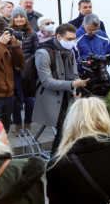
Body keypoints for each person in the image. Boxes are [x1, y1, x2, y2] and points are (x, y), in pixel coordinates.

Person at [33, 23, 88, 155]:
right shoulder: (43, 53)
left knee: (68, 131)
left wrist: (74, 90)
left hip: (67, 97)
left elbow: (74, 75)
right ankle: (55, 160)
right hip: (51, 98)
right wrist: (72, 85)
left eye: (74, 39)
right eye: (69, 39)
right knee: (63, 133)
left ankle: (63, 158)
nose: (72, 42)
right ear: (58, 37)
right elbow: (47, 82)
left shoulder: (70, 52)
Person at [9, 6, 37, 135]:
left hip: (28, 71)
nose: (19, 19)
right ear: (12, 19)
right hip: (13, 71)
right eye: (16, 17)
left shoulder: (32, 34)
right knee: (15, 99)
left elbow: (36, 52)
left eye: (21, 17)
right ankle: (18, 125)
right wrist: (15, 64)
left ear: (26, 19)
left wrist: (25, 64)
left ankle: (28, 124)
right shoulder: (8, 33)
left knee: (29, 99)